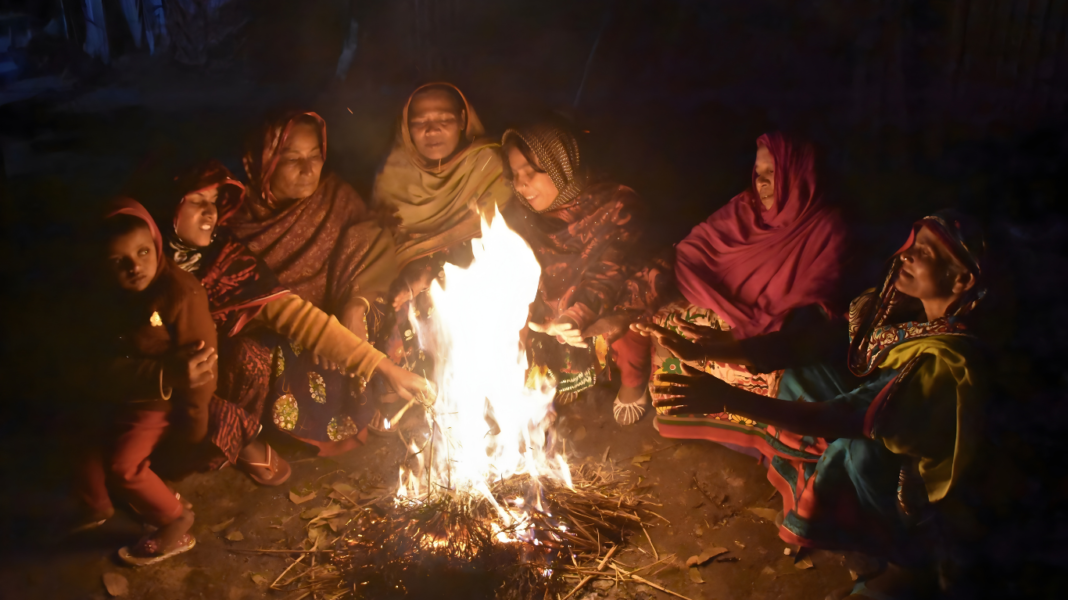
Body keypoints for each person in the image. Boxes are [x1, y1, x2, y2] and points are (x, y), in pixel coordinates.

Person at [652, 211, 989, 598]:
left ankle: (904, 563)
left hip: (926, 492)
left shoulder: (942, 361)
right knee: (802, 376)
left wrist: (726, 397)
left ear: (962, 280)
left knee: (858, 448)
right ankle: (835, 505)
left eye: (925, 253)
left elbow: (842, 417)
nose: (907, 256)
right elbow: (813, 344)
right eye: (912, 246)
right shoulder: (905, 310)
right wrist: (707, 347)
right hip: (878, 426)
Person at [169, 160, 431, 462]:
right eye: (197, 202)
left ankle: (233, 437)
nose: (209, 214)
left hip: (205, 369)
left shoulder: (228, 262)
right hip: (157, 381)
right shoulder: (145, 265)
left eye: (214, 203)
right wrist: (166, 374)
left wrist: (387, 369)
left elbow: (298, 318)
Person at [631, 132, 849, 431]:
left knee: (785, 355)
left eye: (772, 172)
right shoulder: (747, 206)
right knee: (669, 299)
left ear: (797, 173)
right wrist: (724, 306)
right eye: (758, 172)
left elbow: (813, 300)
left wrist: (747, 324)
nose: (761, 182)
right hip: (728, 307)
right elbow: (692, 249)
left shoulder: (827, 226)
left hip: (776, 326)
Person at [228, 111, 413, 444]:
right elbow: (265, 305)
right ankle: (267, 439)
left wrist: (353, 306)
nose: (308, 169)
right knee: (258, 352)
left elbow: (372, 244)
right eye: (291, 159)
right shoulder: (235, 220)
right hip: (287, 325)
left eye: (315, 156)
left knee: (392, 300)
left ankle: (378, 402)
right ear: (261, 161)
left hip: (338, 317)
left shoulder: (334, 197)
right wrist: (322, 331)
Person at [76, 199, 216, 566]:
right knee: (79, 436)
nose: (135, 267)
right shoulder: (103, 297)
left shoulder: (181, 294)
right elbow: (93, 361)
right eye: (118, 261)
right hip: (120, 394)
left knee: (125, 466)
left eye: (142, 252)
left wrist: (194, 422)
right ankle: (96, 506)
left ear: (157, 245)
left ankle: (176, 520)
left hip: (157, 402)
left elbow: (201, 374)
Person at [500, 119, 651, 408]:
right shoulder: (522, 215)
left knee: (635, 301)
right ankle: (546, 383)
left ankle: (633, 379)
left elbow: (609, 270)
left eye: (531, 172)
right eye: (515, 174)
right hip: (556, 317)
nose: (521, 184)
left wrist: (578, 314)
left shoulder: (615, 204)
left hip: (602, 302)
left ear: (561, 166)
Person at [373, 82, 513, 304]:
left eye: (444, 119)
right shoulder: (391, 179)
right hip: (410, 301)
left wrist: (431, 269)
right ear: (406, 128)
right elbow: (384, 249)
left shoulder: (490, 166)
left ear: (463, 120)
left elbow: (507, 239)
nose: (432, 130)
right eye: (420, 122)